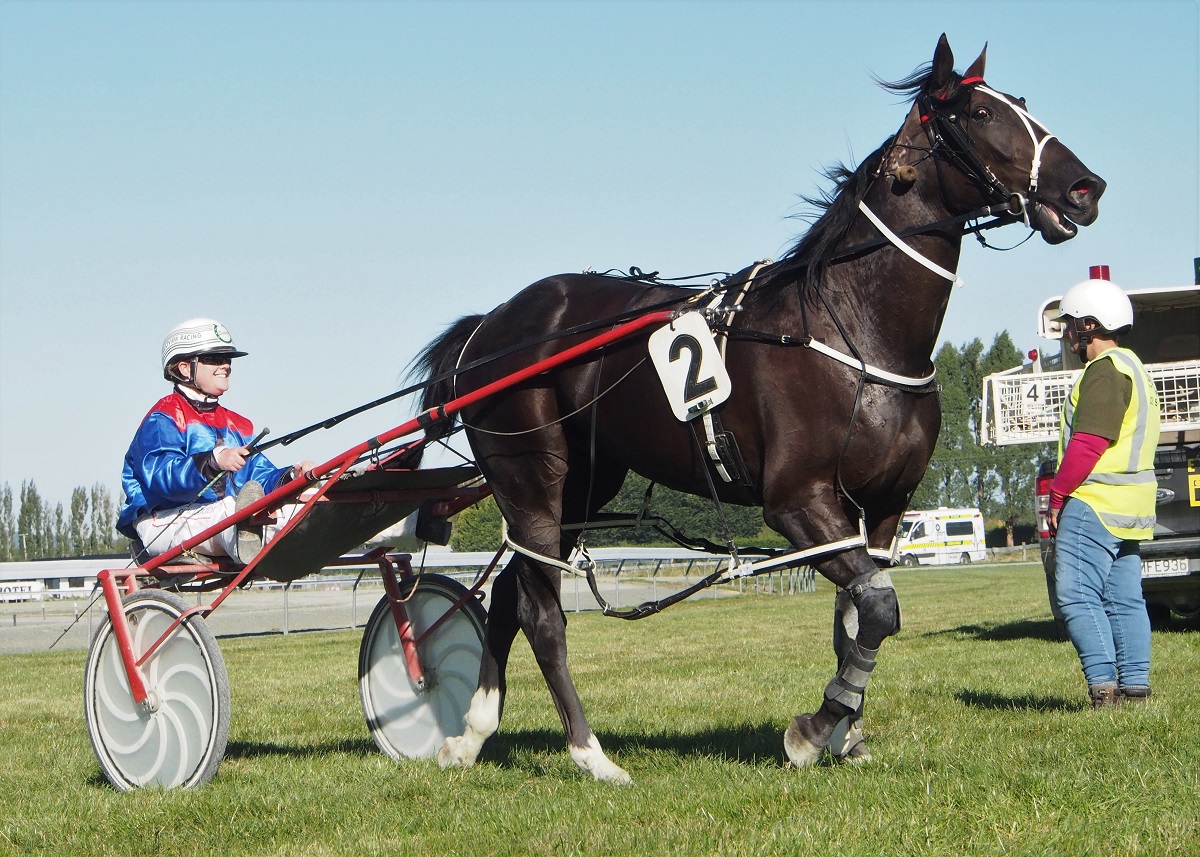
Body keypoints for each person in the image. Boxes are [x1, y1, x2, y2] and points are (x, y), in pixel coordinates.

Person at [1046, 278, 1160, 708]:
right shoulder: (1135, 368)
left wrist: (1058, 497)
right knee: (1125, 599)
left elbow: (1089, 443)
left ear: (1091, 326)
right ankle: (1135, 690)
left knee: (1076, 595)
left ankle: (1104, 690)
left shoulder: (1105, 371)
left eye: (1072, 324)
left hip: (1095, 501)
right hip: (1131, 506)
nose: (1068, 333)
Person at [117, 318, 315, 564]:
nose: (225, 366)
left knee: (296, 505)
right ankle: (259, 547)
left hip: (219, 519)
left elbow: (257, 477)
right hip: (161, 521)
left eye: (227, 359)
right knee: (231, 510)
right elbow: (160, 477)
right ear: (185, 368)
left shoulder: (237, 423)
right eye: (214, 359)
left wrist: (291, 477)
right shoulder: (163, 417)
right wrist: (213, 460)